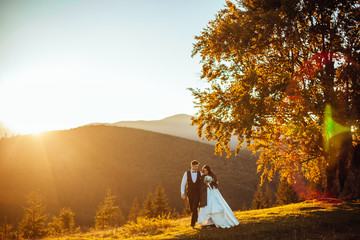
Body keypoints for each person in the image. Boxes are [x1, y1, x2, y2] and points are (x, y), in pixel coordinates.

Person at [180, 160, 202, 228]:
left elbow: (205, 179)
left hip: (197, 194)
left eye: (197, 166)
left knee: (195, 208)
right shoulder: (186, 173)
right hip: (189, 194)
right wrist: (182, 193)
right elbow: (183, 183)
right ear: (192, 166)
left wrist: (213, 181)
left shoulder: (200, 173)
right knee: (192, 209)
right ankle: (197, 219)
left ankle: (192, 224)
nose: (197, 168)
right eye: (195, 166)